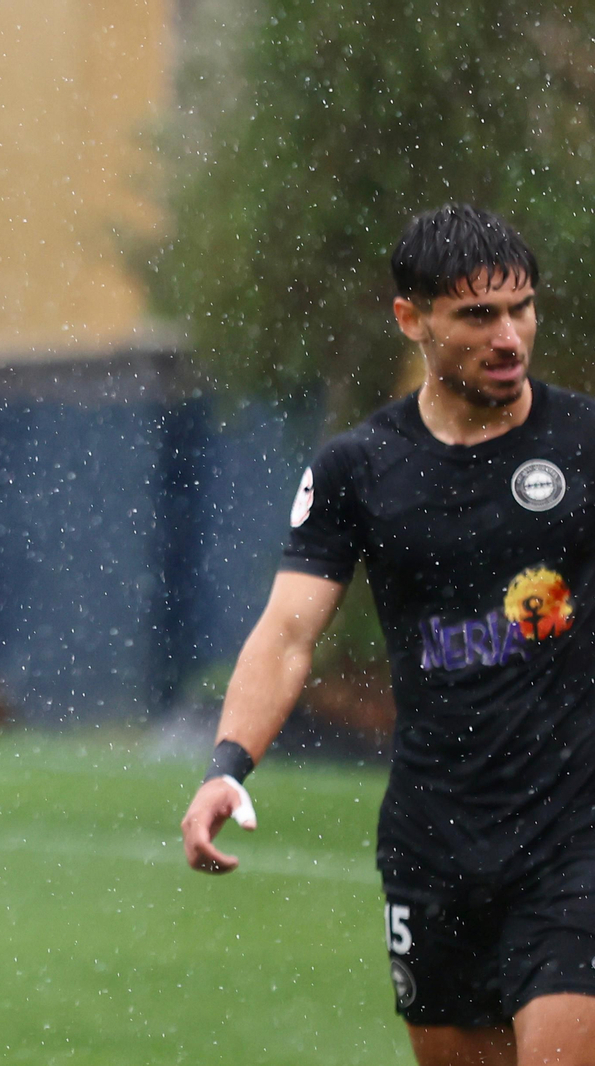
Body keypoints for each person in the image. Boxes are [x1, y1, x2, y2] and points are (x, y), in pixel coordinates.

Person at [180, 203, 595, 1066]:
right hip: (434, 844)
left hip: (572, 840)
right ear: (412, 319)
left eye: (521, 308)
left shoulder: (584, 444)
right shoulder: (359, 469)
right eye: (478, 315)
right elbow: (289, 633)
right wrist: (227, 765)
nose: (510, 336)